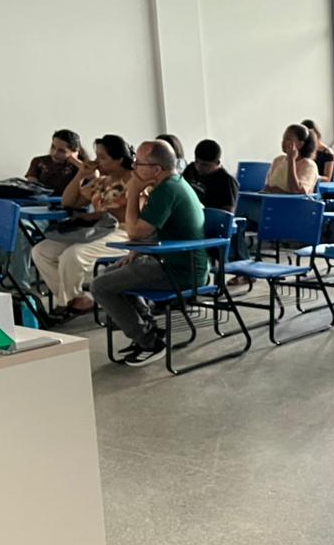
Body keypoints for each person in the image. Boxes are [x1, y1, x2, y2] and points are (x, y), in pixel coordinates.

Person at [90, 141, 208, 367]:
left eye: (139, 163)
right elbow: (149, 231)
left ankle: (149, 343)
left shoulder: (167, 190)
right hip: (167, 260)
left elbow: (134, 231)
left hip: (181, 270)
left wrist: (133, 191)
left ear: (156, 169)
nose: (134, 167)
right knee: (112, 273)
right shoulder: (168, 185)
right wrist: (136, 251)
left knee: (100, 286)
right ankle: (148, 329)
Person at [31, 135, 134, 318]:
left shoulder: (134, 181)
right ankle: (77, 299)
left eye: (102, 157)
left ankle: (65, 304)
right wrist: (81, 174)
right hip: (98, 229)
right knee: (41, 251)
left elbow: (130, 214)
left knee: (73, 255)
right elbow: (68, 202)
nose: (96, 161)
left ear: (119, 160)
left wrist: (97, 215)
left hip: (124, 231)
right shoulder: (102, 181)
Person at [181, 139, 239, 213]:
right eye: (196, 161)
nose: (198, 167)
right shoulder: (190, 170)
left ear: (217, 163)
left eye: (205, 165)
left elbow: (227, 214)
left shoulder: (227, 182)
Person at [25, 129, 85, 194]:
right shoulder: (38, 161)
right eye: (53, 147)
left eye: (62, 151)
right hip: (41, 198)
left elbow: (90, 174)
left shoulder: (77, 166)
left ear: (74, 152)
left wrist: (75, 161)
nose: (55, 153)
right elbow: (32, 186)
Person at [264, 124, 319, 195]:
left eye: (288, 139)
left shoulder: (309, 165)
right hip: (271, 200)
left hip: (294, 202)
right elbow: (267, 188)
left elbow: (295, 191)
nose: (283, 142)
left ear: (300, 144)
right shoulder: (278, 160)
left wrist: (291, 159)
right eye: (283, 138)